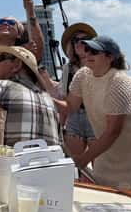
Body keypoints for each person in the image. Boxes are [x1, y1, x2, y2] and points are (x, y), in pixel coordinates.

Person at [55, 36, 131, 199]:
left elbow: (113, 131)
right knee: (107, 206)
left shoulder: (118, 82)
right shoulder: (82, 75)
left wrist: (84, 159)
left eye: (95, 52)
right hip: (109, 152)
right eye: (87, 50)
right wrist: (44, 98)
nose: (88, 54)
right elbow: (70, 106)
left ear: (110, 57)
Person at [0, 45, 61, 156]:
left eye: (1, 58)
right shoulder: (50, 101)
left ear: (17, 64)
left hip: (8, 170)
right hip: (46, 171)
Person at [38, 23, 97, 162]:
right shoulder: (68, 68)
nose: (79, 43)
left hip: (95, 116)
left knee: (99, 163)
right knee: (74, 162)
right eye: (75, 40)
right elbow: (64, 98)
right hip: (74, 119)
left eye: (84, 40)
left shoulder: (100, 64)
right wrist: (60, 127)